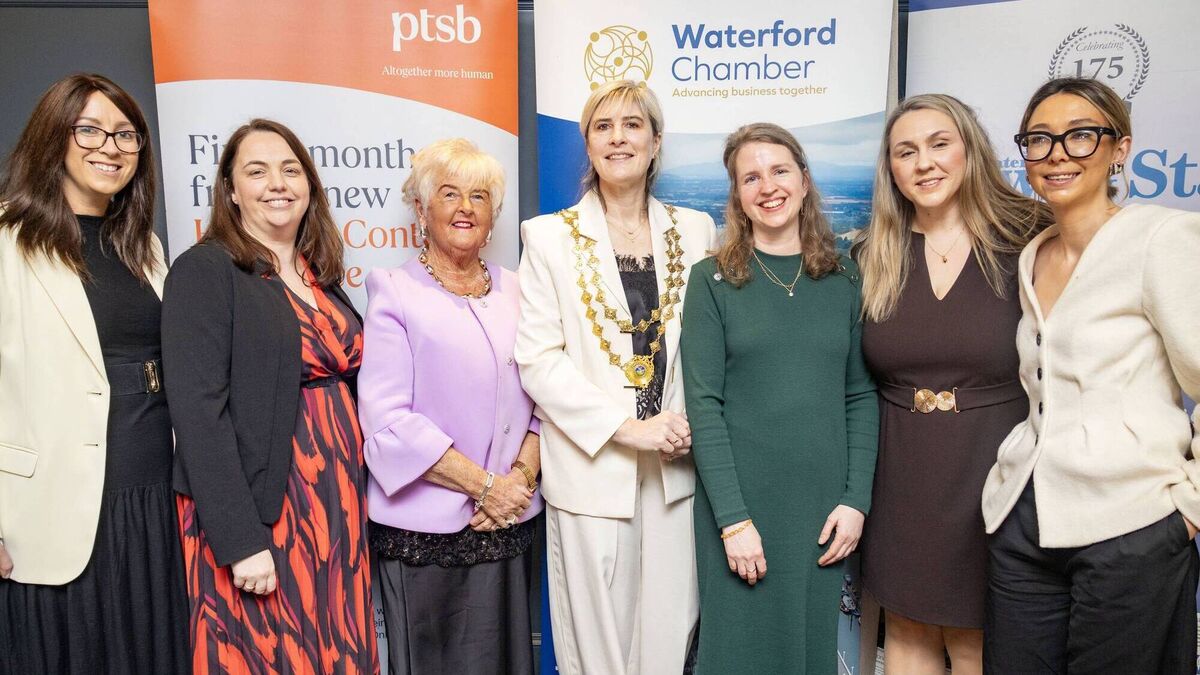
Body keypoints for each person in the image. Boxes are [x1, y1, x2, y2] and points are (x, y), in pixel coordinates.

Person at [982, 77, 1200, 674]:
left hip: (1132, 523)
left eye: (1080, 136)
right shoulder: (1034, 254)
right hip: (1024, 523)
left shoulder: (1160, 238)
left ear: (1119, 149)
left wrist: (1188, 510)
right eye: (1040, 139)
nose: (1057, 154)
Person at [515, 79, 716, 675]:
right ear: (588, 144)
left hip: (676, 469)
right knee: (597, 648)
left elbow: (711, 347)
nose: (618, 138)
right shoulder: (547, 237)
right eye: (603, 127)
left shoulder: (697, 231)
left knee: (669, 638)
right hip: (593, 468)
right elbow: (538, 359)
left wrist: (683, 426)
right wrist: (628, 429)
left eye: (633, 125)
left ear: (656, 141)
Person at [162, 118, 378, 674]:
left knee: (335, 649)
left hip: (335, 509)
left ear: (309, 184)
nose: (277, 183)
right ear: (231, 190)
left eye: (290, 169)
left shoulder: (319, 275)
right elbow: (198, 415)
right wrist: (240, 541)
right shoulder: (205, 270)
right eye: (256, 171)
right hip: (265, 512)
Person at [0, 73, 188, 674]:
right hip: (54, 505)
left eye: (126, 134)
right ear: (53, 136)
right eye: (90, 130)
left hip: (155, 501)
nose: (111, 147)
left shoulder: (144, 246)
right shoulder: (8, 240)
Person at [854, 94, 1048, 675]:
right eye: (906, 152)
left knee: (976, 639)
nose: (924, 163)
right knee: (907, 629)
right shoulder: (871, 253)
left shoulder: (1031, 238)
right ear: (891, 168)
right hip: (901, 475)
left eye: (940, 144)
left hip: (1001, 470)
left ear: (971, 150)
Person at [680, 122, 878, 674]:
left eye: (780, 171)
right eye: (751, 177)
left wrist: (856, 501)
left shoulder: (844, 278)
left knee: (809, 655)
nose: (768, 186)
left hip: (823, 512)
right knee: (738, 656)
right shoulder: (712, 281)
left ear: (805, 180)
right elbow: (704, 407)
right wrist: (733, 521)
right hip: (741, 508)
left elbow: (860, 395)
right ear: (737, 195)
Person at [357, 138, 542, 674]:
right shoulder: (394, 291)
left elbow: (544, 401)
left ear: (494, 216)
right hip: (425, 538)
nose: (465, 207)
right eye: (449, 193)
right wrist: (486, 487)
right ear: (421, 210)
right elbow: (389, 424)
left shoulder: (520, 291)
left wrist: (519, 481)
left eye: (479, 196)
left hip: (507, 525)